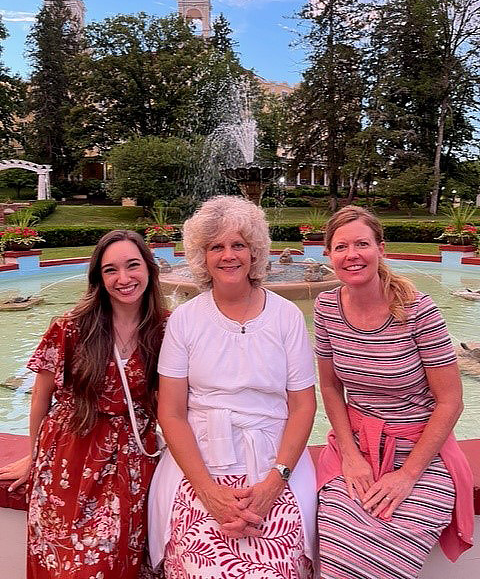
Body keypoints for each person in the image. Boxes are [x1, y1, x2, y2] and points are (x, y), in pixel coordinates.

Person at [148, 195, 318, 578]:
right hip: (201, 463)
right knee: (201, 566)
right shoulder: (185, 321)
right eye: (216, 246)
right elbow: (171, 412)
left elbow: (303, 407)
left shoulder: (286, 316)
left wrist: (275, 483)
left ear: (255, 252)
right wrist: (207, 492)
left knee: (278, 565)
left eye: (238, 244)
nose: (229, 255)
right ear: (202, 256)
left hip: (275, 462)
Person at [313, 206, 474, 579]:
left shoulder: (418, 310)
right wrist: (351, 456)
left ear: (380, 249)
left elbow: (451, 401)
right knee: (339, 539)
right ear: (329, 256)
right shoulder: (326, 308)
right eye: (341, 247)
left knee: (393, 547)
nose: (352, 255)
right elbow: (331, 386)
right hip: (357, 450)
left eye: (361, 244)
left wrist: (408, 475)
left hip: (422, 454)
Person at [0, 230, 168, 579]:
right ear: (98, 277)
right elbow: (41, 399)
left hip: (131, 464)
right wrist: (34, 454)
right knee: (66, 564)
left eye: (132, 265)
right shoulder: (71, 327)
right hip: (69, 457)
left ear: (149, 269)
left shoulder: (166, 328)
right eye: (110, 270)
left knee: (113, 563)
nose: (124, 279)